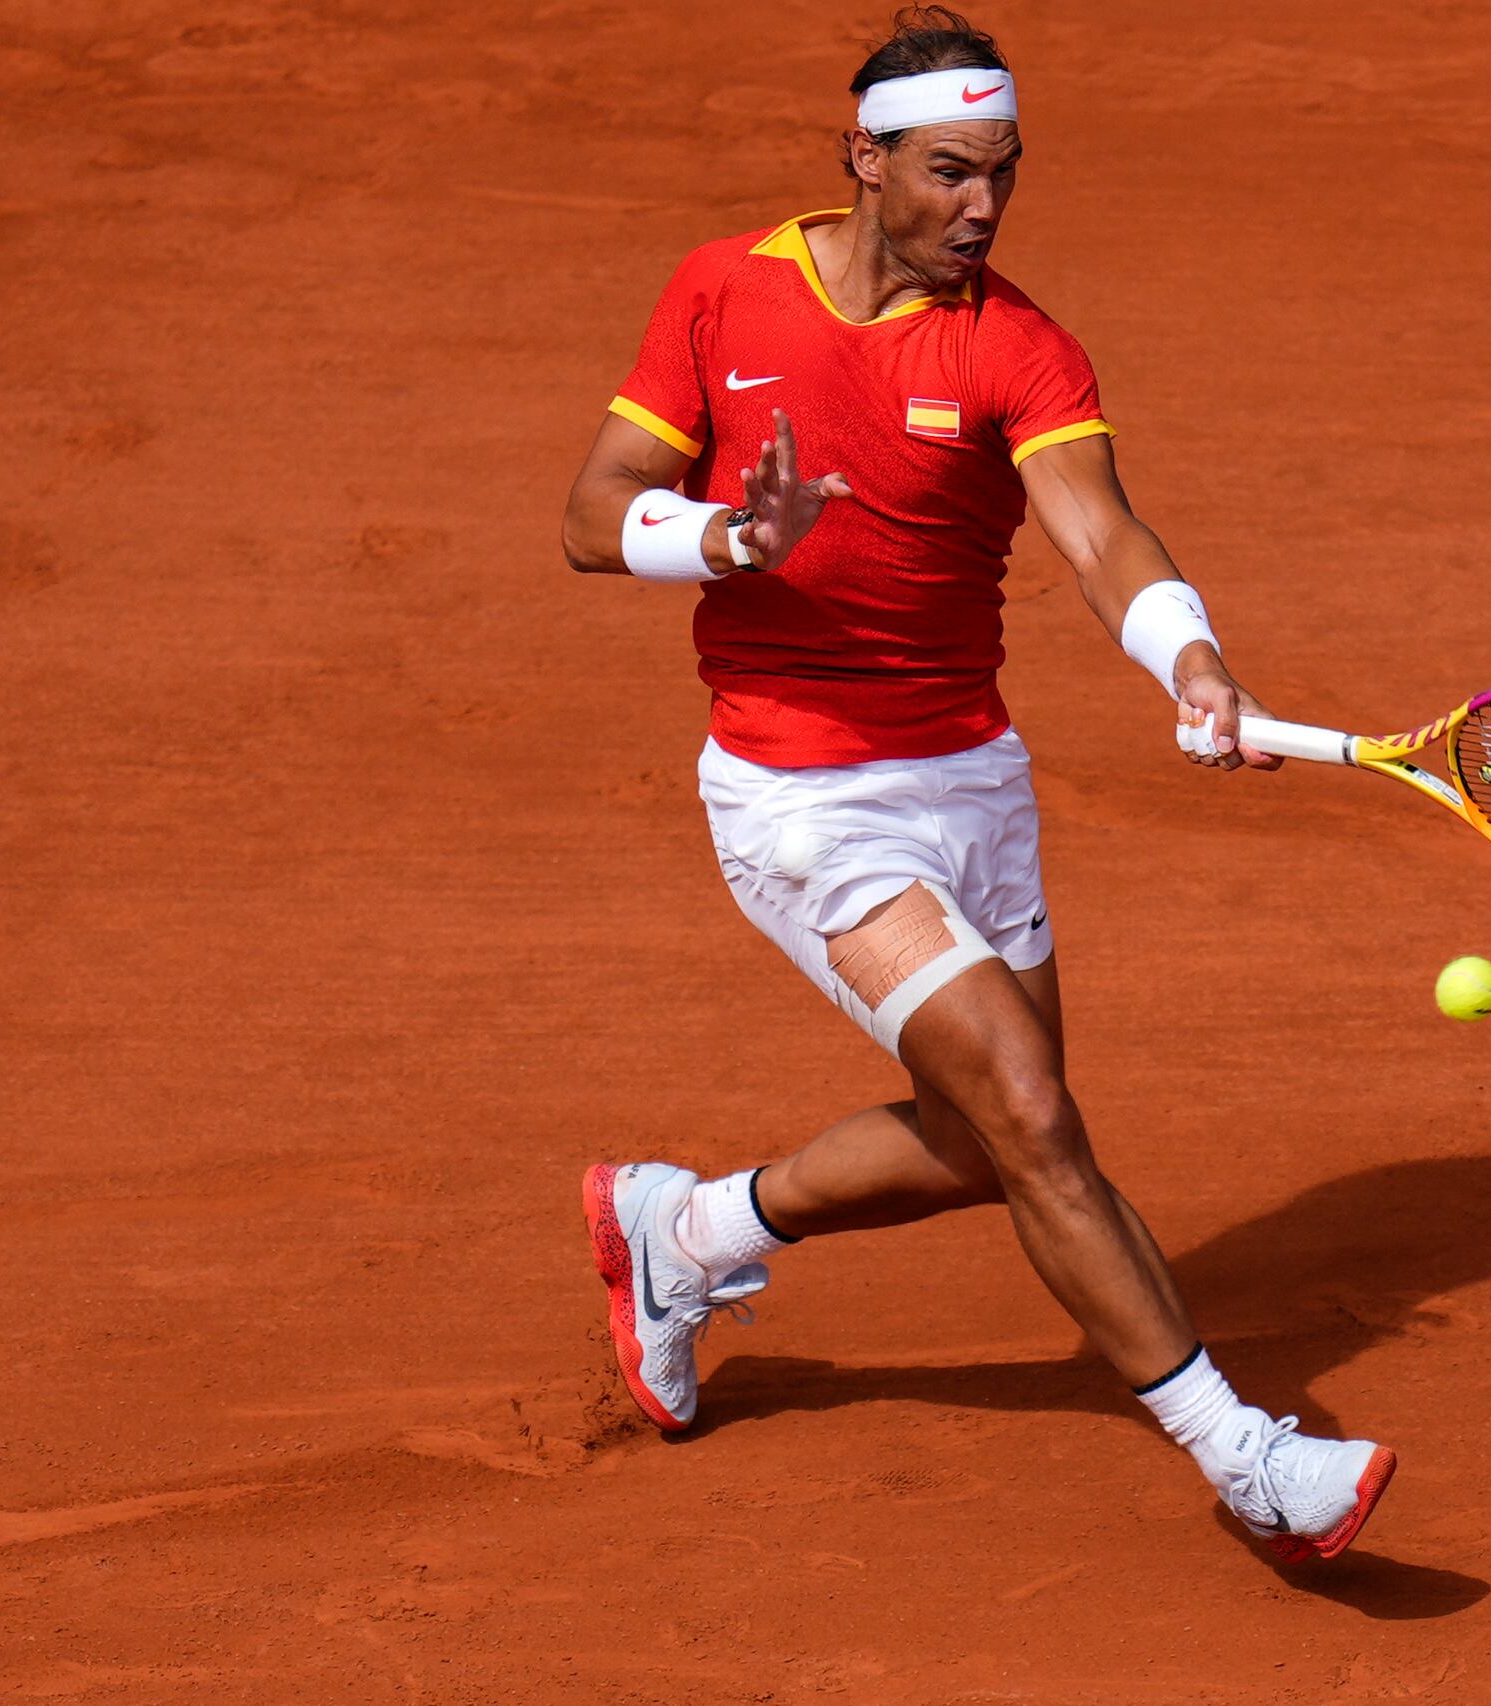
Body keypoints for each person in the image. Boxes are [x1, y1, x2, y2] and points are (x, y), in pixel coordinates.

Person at [559, 6, 1393, 1562]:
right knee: (1026, 1107)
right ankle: (1246, 1457)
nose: (983, 208)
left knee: (989, 1134)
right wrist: (734, 537)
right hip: (802, 794)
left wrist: (1192, 660)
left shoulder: (1018, 344)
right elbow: (593, 512)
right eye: (949, 172)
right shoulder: (721, 287)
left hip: (970, 780)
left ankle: (688, 1232)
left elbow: (1099, 536)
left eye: (1004, 175)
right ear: (862, 159)